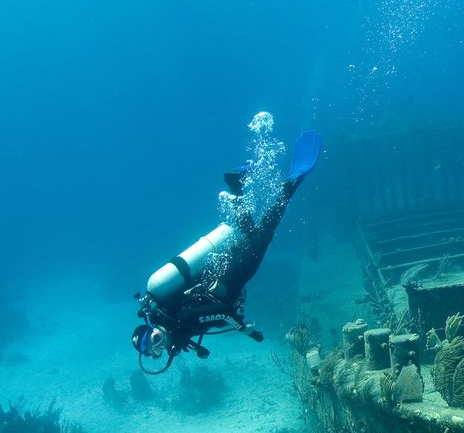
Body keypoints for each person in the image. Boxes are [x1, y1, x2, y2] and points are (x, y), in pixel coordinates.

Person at [131, 128, 322, 372]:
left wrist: (245, 330)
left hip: (233, 272)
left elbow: (220, 312)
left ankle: (291, 183)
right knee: (255, 234)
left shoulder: (182, 318)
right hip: (224, 270)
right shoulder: (173, 317)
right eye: (155, 352)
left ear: (154, 329)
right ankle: (236, 186)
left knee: (265, 233)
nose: (160, 347)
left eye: (155, 339)